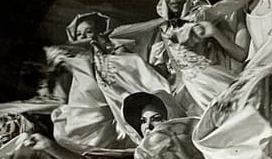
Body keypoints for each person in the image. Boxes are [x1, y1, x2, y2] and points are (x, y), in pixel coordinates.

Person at [111, 0, 241, 114]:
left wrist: (213, 31)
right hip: (183, 91)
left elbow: (239, 54)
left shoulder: (202, 17)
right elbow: (163, 69)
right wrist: (130, 60)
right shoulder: (163, 29)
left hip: (210, 82)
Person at [47, 11, 186, 151]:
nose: (82, 37)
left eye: (88, 32)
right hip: (83, 115)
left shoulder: (113, 55)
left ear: (98, 33)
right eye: (78, 34)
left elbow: (134, 73)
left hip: (110, 118)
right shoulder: (75, 61)